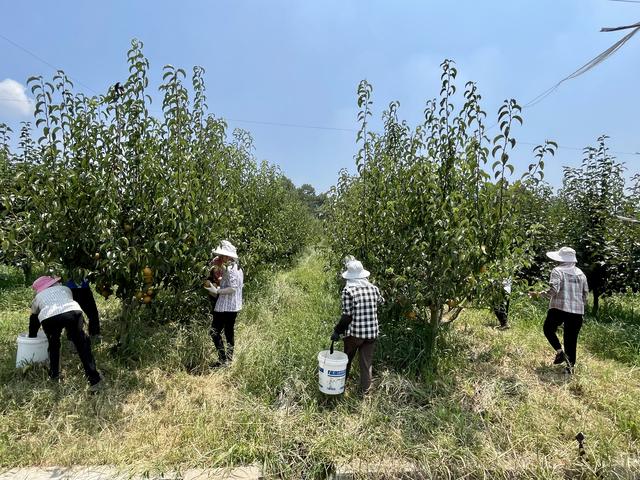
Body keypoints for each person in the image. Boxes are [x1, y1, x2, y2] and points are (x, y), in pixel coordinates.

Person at [28, 276, 102, 390]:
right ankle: (94, 379)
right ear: (54, 284)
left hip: (49, 317)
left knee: (54, 346)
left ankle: (54, 375)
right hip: (72, 312)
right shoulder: (65, 289)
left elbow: (34, 316)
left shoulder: (38, 297)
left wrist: (32, 335)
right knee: (82, 344)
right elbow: (67, 301)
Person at [529, 247, 589, 374]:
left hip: (559, 308)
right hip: (577, 311)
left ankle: (559, 351)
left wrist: (538, 294)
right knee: (571, 340)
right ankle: (570, 369)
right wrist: (579, 307)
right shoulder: (581, 274)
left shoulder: (557, 271)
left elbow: (553, 290)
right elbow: (585, 295)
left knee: (548, 329)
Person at [331, 258, 384, 393]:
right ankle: (365, 393)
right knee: (366, 364)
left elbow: (347, 317)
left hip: (355, 334)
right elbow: (381, 302)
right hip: (372, 333)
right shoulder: (373, 288)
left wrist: (337, 331)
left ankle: (339, 388)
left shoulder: (348, 291)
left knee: (346, 360)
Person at [204, 241, 244, 365]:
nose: (220, 258)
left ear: (228, 256)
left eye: (222, 255)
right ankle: (228, 360)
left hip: (226, 306)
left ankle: (223, 360)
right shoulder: (236, 267)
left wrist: (217, 290)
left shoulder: (232, 269)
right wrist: (221, 279)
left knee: (214, 332)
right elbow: (232, 283)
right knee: (228, 332)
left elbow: (233, 287)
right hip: (233, 306)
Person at [64, 278, 102, 344]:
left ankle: (94, 334)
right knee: (72, 314)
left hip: (84, 288)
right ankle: (72, 339)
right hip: (71, 288)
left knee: (92, 313)